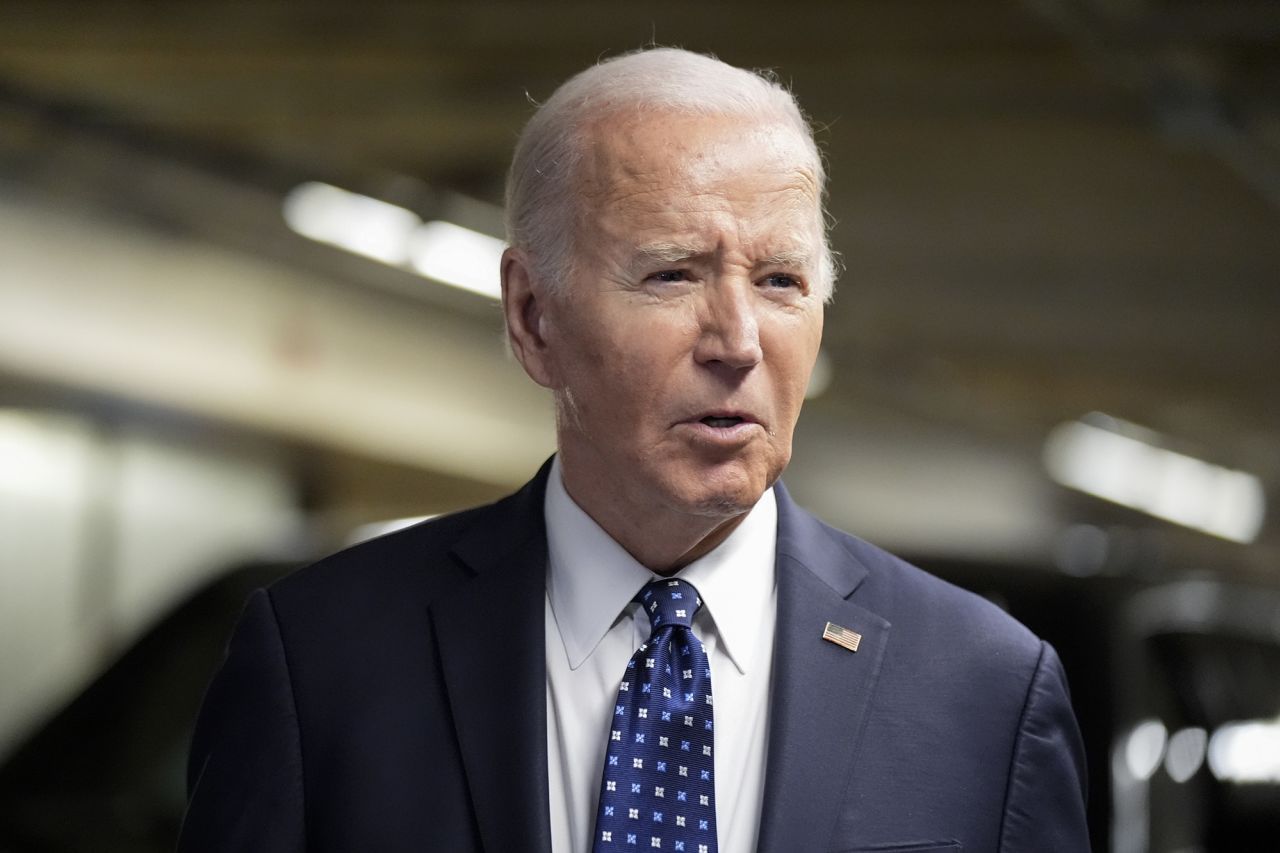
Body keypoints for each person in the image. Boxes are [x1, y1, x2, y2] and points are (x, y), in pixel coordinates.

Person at [179, 48, 1089, 852]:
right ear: (533, 317)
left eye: (780, 280)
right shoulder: (321, 663)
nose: (737, 339)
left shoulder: (985, 691)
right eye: (672, 275)